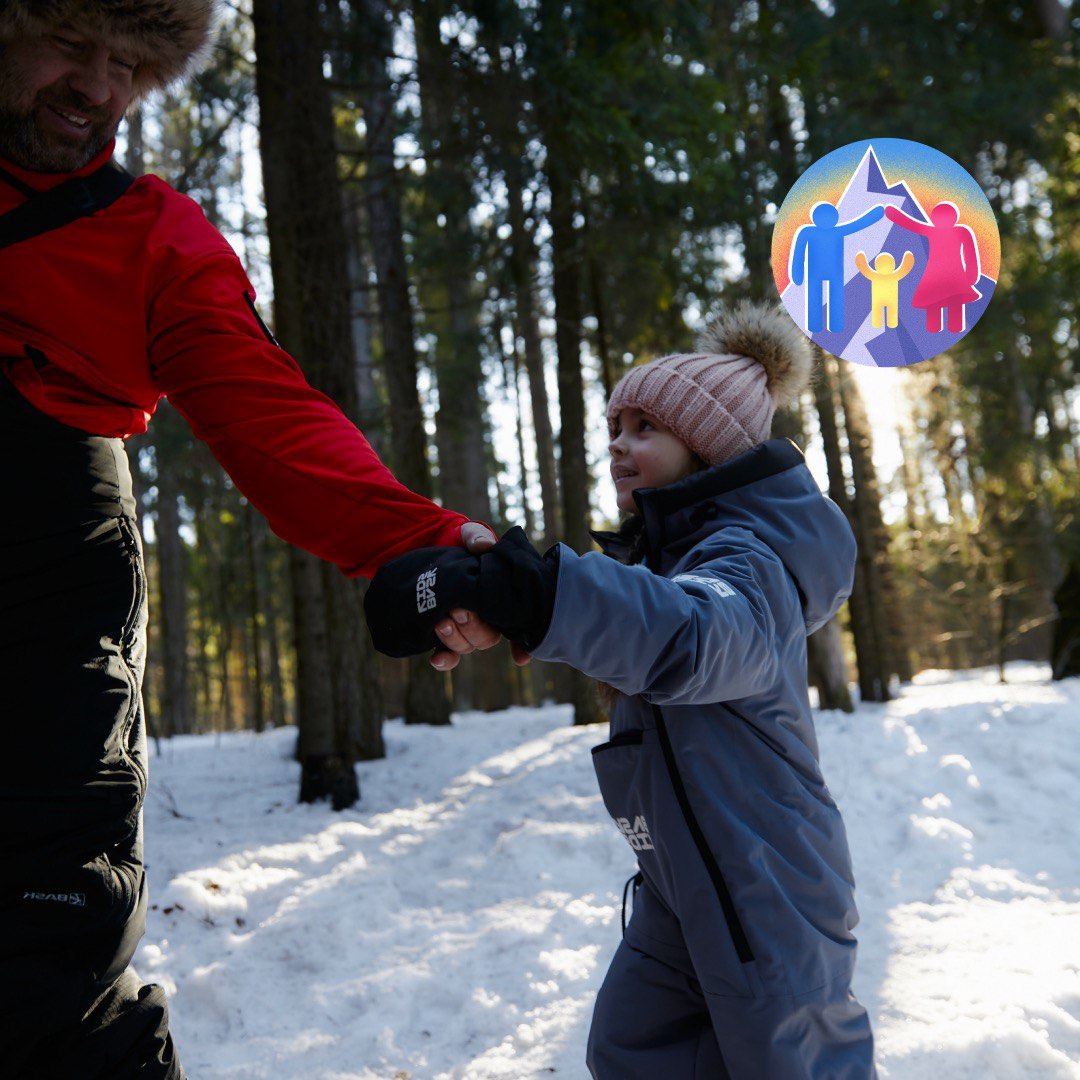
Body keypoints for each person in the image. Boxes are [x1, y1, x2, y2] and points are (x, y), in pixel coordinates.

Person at [0, 2, 500, 1076]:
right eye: (70, 44)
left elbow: (276, 423)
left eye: (130, 62)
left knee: (48, 951)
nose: (96, 86)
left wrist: (434, 543)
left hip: (45, 565)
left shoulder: (149, 236)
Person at [366, 300, 877, 1078]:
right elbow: (635, 620)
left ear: (705, 449)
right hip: (680, 887)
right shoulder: (673, 561)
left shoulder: (750, 559)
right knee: (632, 1051)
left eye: (646, 429)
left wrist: (538, 595)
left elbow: (698, 634)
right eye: (616, 427)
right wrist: (494, 600)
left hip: (766, 890)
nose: (618, 446)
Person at [884, 201, 981, 334]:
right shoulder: (938, 231)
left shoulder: (960, 231)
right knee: (936, 301)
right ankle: (937, 327)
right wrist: (893, 214)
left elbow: (970, 253)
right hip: (939, 275)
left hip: (951, 276)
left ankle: (953, 327)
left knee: (948, 301)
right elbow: (912, 225)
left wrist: (972, 275)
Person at [854, 248, 915, 329]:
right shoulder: (894, 276)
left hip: (879, 298)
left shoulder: (874, 276)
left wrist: (860, 258)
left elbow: (864, 268)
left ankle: (878, 324)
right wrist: (908, 258)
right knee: (888, 311)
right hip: (889, 299)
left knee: (879, 312)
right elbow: (905, 267)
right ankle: (889, 324)